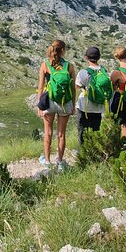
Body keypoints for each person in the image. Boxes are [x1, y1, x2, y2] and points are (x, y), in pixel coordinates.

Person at [37, 40, 76, 170]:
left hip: (49, 102)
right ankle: (60, 162)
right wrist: (73, 105)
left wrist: (39, 105)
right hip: (65, 103)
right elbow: (73, 88)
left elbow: (41, 87)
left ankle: (47, 162)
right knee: (61, 134)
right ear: (63, 50)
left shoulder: (45, 65)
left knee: (48, 132)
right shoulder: (69, 66)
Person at [75, 46, 107, 146]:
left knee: (82, 133)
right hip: (98, 108)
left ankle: (83, 155)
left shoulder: (83, 73)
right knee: (95, 133)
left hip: (84, 107)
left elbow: (76, 86)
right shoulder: (104, 72)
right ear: (98, 58)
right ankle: (95, 154)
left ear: (86, 58)